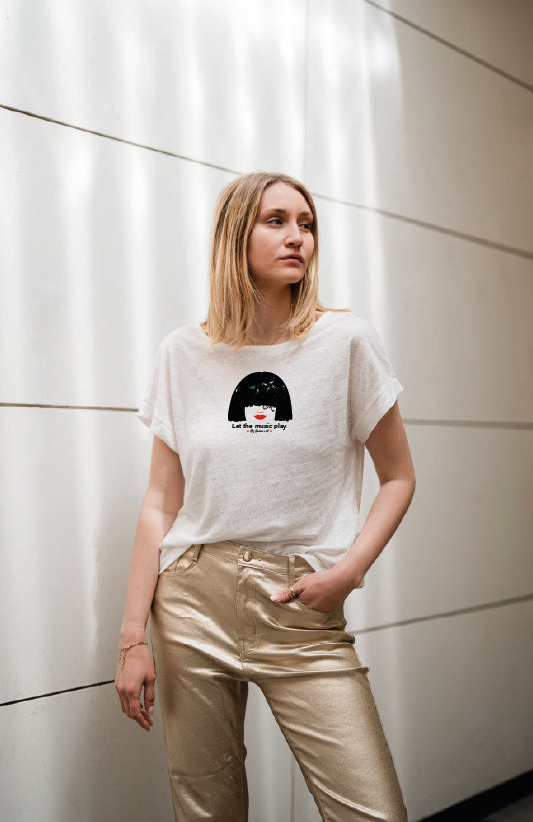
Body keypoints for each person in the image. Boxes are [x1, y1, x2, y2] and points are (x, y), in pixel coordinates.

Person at [115, 171, 416, 821]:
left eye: (306, 224)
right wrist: (132, 636)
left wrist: (349, 571)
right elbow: (160, 503)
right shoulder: (183, 352)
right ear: (235, 235)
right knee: (207, 809)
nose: (297, 236)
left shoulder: (347, 342)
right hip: (191, 601)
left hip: (299, 605)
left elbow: (399, 477)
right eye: (276, 221)